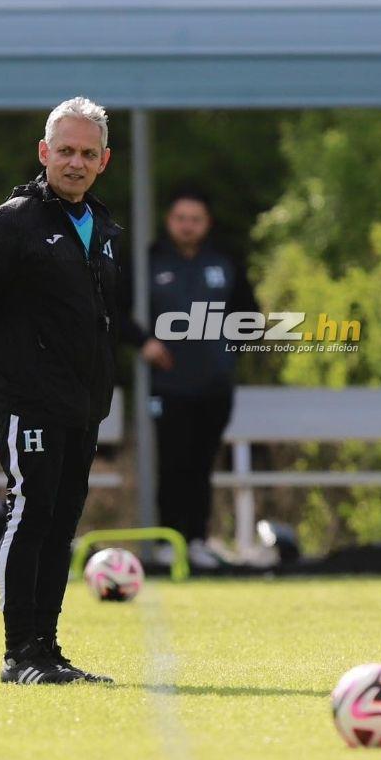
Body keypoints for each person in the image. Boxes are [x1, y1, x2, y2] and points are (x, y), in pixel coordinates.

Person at [0, 97, 123, 686]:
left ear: (104, 161)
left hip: (83, 406)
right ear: (44, 152)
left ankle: (48, 648)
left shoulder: (104, 229)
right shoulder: (14, 220)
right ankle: (20, 653)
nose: (74, 162)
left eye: (87, 153)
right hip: (30, 402)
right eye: (65, 150)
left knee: (60, 523)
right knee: (29, 513)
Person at [123, 188, 258, 568]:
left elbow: (252, 316)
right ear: (169, 221)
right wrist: (142, 342)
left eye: (195, 219)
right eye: (181, 218)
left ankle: (197, 539)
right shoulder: (147, 262)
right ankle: (168, 539)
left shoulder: (225, 262)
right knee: (171, 462)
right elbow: (114, 311)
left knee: (201, 465)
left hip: (214, 386)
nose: (187, 226)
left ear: (206, 224)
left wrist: (228, 350)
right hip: (166, 386)